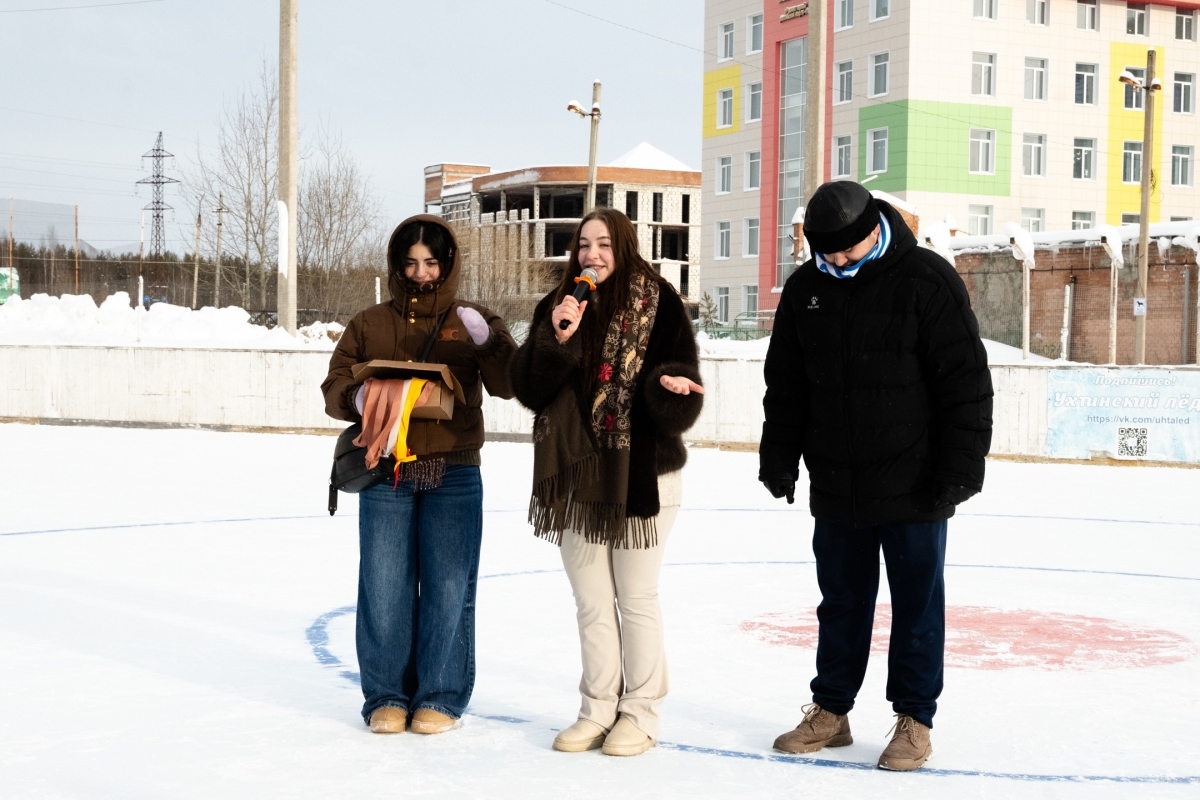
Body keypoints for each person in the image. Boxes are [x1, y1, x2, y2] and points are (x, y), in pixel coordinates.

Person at [758, 181, 993, 771]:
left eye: (848, 249)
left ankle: (915, 719)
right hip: (838, 480)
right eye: (827, 252)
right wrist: (779, 456)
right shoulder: (806, 289)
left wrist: (960, 469)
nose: (838, 261)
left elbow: (965, 383)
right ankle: (831, 710)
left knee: (916, 606)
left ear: (874, 230)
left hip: (917, 482)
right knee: (840, 602)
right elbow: (786, 385)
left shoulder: (926, 279)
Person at [509, 207, 704, 757]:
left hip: (644, 474)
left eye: (603, 245)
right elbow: (529, 389)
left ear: (623, 247)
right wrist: (557, 338)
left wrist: (671, 386)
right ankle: (596, 709)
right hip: (579, 476)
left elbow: (682, 394)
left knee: (635, 598)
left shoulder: (659, 301)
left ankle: (640, 713)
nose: (592, 255)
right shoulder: (559, 305)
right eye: (583, 245)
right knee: (592, 602)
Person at [321, 214, 516, 736]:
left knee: (449, 587)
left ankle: (440, 695)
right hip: (387, 469)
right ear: (396, 264)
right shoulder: (369, 322)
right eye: (410, 263)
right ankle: (386, 694)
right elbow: (333, 387)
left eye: (431, 263)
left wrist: (488, 342)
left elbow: (508, 384)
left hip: (454, 471)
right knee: (384, 585)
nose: (421, 273)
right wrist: (362, 396)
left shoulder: (472, 318)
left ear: (448, 264)